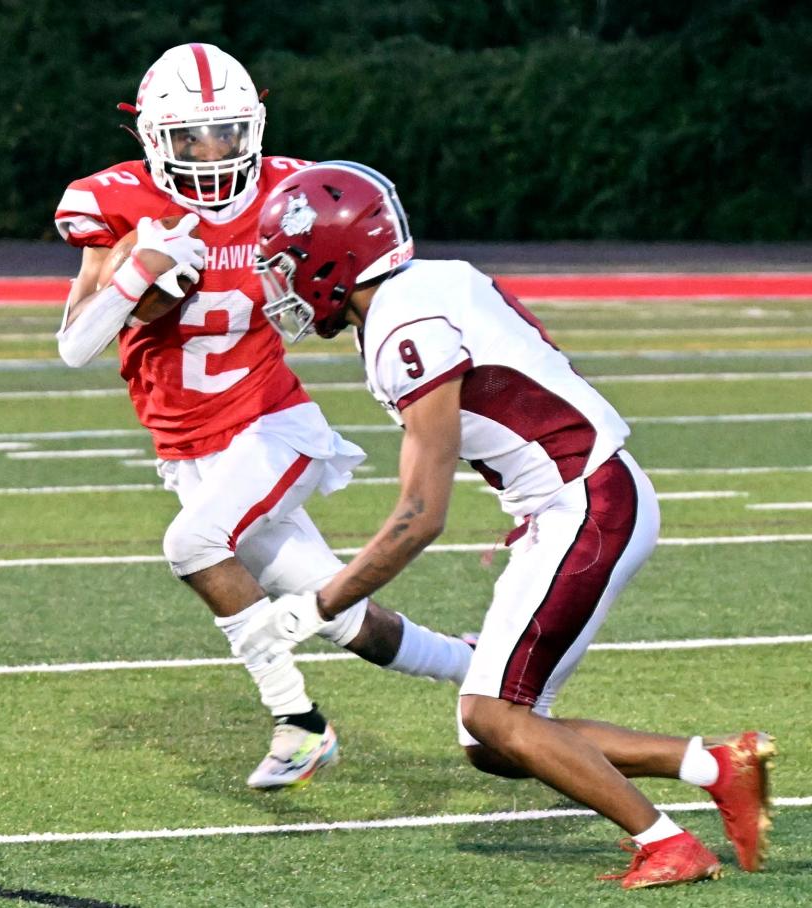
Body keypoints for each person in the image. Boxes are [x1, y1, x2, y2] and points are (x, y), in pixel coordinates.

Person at [239, 160, 776, 886]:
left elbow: (420, 514)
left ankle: (666, 843)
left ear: (332, 258)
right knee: (491, 738)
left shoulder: (406, 325)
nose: (283, 285)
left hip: (581, 504)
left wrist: (321, 604)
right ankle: (716, 765)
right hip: (577, 496)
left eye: (288, 265)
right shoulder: (430, 283)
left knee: (495, 714)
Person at [53, 47, 473, 790]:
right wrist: (138, 272)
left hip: (273, 426)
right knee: (347, 620)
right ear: (154, 139)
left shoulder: (290, 191)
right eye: (192, 138)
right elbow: (76, 345)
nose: (213, 153)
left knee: (193, 543)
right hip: (190, 450)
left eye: (228, 133)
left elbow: (356, 279)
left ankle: (298, 723)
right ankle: (484, 668)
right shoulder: (115, 205)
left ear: (257, 126)